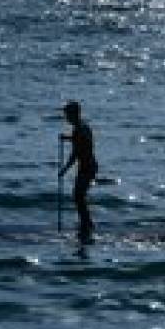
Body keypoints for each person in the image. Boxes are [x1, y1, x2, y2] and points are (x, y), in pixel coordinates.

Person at [58, 100, 98, 243]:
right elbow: (79, 141)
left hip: (87, 167)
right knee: (79, 196)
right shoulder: (83, 127)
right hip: (88, 166)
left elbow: (75, 153)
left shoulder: (80, 129)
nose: (66, 117)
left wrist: (64, 170)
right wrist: (67, 138)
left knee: (78, 196)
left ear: (74, 114)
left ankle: (87, 224)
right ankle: (86, 223)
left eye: (67, 115)